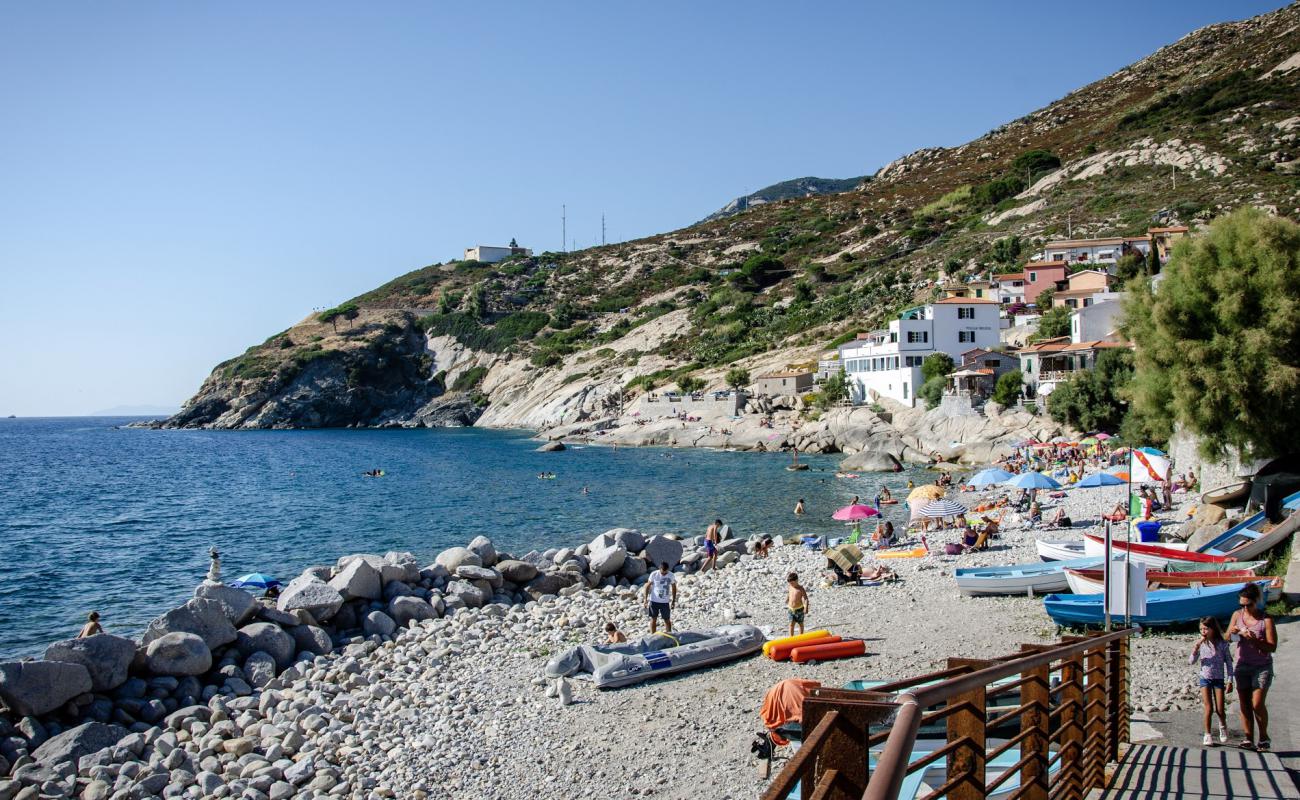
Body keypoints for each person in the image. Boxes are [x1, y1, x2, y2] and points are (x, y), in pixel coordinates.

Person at [1228, 583, 1276, 750]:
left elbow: (1272, 646)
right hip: (1241, 664)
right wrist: (1233, 633)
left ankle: (1263, 737)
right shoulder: (1237, 615)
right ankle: (1248, 737)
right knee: (1244, 703)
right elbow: (1227, 637)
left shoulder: (1266, 620)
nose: (1245, 608)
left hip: (1261, 666)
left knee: (1256, 703)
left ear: (1256, 601)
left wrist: (1253, 639)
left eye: (1248, 604)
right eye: (1242, 605)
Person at [1189, 616, 1233, 746]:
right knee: (1208, 707)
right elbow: (1191, 661)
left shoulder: (1222, 644)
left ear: (1213, 629)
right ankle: (1207, 734)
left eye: (1206, 628)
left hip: (1219, 678)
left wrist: (1230, 680)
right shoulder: (1201, 645)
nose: (1203, 631)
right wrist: (1196, 648)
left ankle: (1222, 726)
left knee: (1220, 708)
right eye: (1201, 629)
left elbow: (1229, 663)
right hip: (1205, 678)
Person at [642, 562, 678, 634]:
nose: (664, 574)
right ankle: (653, 635)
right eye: (662, 573)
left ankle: (669, 635)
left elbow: (674, 587)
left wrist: (673, 601)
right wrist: (645, 599)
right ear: (659, 569)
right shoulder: (654, 574)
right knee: (653, 619)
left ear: (668, 569)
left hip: (665, 602)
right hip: (654, 600)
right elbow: (647, 586)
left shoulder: (671, 575)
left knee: (667, 619)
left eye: (665, 573)